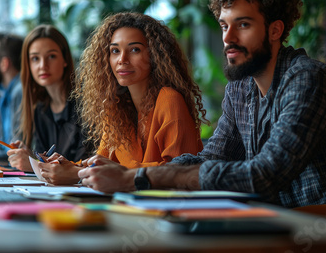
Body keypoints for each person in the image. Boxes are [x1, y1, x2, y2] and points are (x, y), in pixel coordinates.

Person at [77, 0, 326, 208]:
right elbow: (211, 157)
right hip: (271, 223)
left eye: (243, 25)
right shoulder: (241, 89)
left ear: (275, 30)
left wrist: (136, 179)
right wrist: (131, 174)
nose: (228, 38)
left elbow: (263, 175)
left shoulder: (308, 80)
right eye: (224, 25)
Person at [39, 12, 206, 185]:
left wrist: (76, 173)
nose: (122, 60)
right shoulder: (116, 108)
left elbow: (179, 173)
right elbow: (102, 163)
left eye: (135, 50)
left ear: (155, 55)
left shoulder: (169, 100)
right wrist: (67, 166)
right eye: (115, 51)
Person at [6, 25, 87, 172]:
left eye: (51, 56)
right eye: (35, 59)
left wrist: (34, 164)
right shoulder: (40, 109)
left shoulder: (85, 104)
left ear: (65, 60)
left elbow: (85, 166)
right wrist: (32, 156)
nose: (43, 65)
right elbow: (48, 161)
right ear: (28, 65)